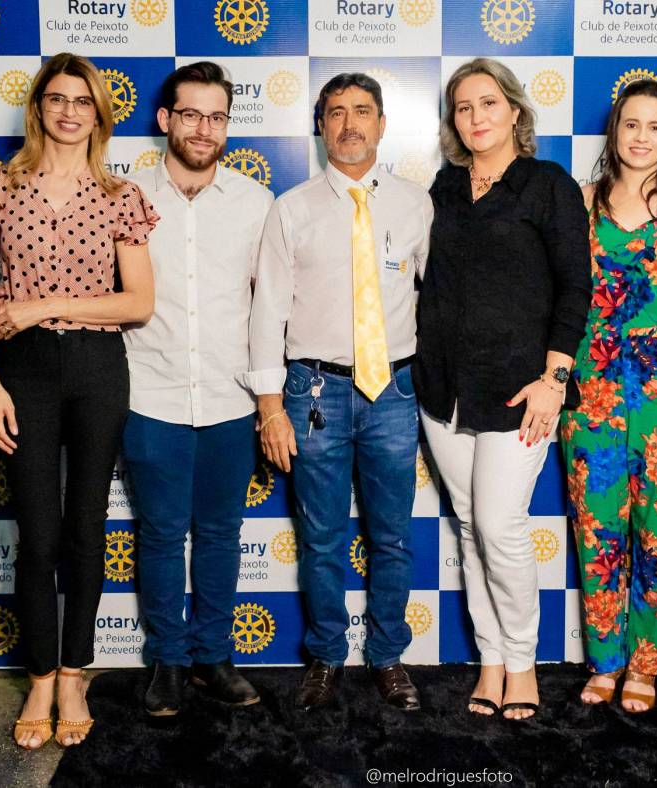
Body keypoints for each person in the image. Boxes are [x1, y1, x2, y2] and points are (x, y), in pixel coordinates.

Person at [0, 53, 156, 748]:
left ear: (99, 113)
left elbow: (138, 303)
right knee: (37, 533)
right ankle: (41, 676)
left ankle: (75, 672)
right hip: (24, 374)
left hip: (98, 369)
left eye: (82, 100)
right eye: (57, 98)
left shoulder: (121, 195)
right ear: (39, 107)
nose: (70, 111)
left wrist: (40, 304)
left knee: (86, 528)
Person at [247, 73, 432, 712]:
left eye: (362, 111)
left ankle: (388, 657)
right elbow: (267, 312)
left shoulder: (416, 205)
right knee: (321, 537)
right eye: (336, 112)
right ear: (320, 125)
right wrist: (270, 406)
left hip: (395, 390)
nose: (350, 124)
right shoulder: (291, 208)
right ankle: (326, 656)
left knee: (392, 536)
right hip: (313, 391)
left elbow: (440, 301)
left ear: (382, 124)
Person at [414, 58, 590, 720]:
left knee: (499, 524)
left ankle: (522, 662)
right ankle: (490, 660)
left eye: (488, 103)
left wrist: (555, 379)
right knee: (469, 527)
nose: (476, 117)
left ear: (515, 111)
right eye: (463, 107)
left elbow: (576, 288)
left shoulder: (548, 186)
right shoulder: (444, 187)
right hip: (443, 390)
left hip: (521, 391)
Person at [121, 62, 273, 718]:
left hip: (230, 397)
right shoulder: (125, 195)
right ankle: (168, 661)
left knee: (220, 533)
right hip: (148, 394)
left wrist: (269, 397)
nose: (204, 129)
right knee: (160, 534)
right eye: (190, 114)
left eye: (216, 117)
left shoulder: (255, 203)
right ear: (166, 119)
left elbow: (270, 308)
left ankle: (213, 656)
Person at [560, 79, 657, 714]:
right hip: (591, 388)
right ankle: (605, 662)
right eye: (631, 124)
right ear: (614, 131)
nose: (642, 137)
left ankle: (645, 666)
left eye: (656, 126)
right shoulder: (582, 199)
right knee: (596, 528)